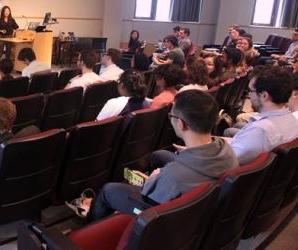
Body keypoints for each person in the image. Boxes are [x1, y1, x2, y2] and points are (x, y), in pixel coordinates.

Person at [66, 90, 238, 220]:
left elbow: (148, 193)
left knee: (108, 190)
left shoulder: (172, 176)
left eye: (171, 116)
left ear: (181, 123)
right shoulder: (227, 151)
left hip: (162, 218)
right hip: (199, 203)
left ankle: (91, 223)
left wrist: (154, 179)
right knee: (158, 155)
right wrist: (190, 155)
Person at [228, 66, 298, 165]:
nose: (250, 95)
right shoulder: (292, 120)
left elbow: (226, 162)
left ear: (264, 96)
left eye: (251, 91)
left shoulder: (261, 130)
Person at [0, 5, 19, 75]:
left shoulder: (12, 20)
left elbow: (16, 27)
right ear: (3, 12)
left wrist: (15, 32)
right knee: (0, 53)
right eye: (5, 11)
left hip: (9, 38)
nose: (7, 12)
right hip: (1, 37)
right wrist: (1, 31)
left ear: (10, 12)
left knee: (8, 54)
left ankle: (8, 69)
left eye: (8, 11)